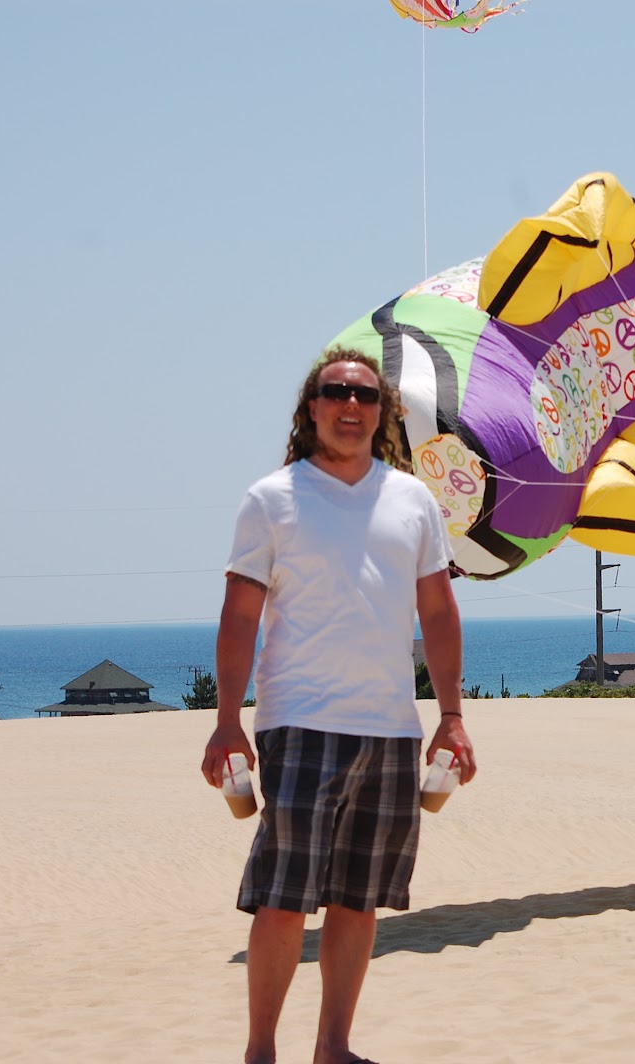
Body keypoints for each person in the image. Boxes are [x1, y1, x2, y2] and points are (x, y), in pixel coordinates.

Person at [200, 349, 473, 1064]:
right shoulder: (272, 499)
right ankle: (261, 1049)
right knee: (284, 899)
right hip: (298, 724)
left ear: (381, 412)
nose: (350, 406)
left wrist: (451, 715)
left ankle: (334, 1049)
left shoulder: (412, 500)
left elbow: (439, 612)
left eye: (364, 395)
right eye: (335, 393)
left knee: (359, 901)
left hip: (388, 728)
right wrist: (227, 722)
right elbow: (238, 618)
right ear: (312, 408)